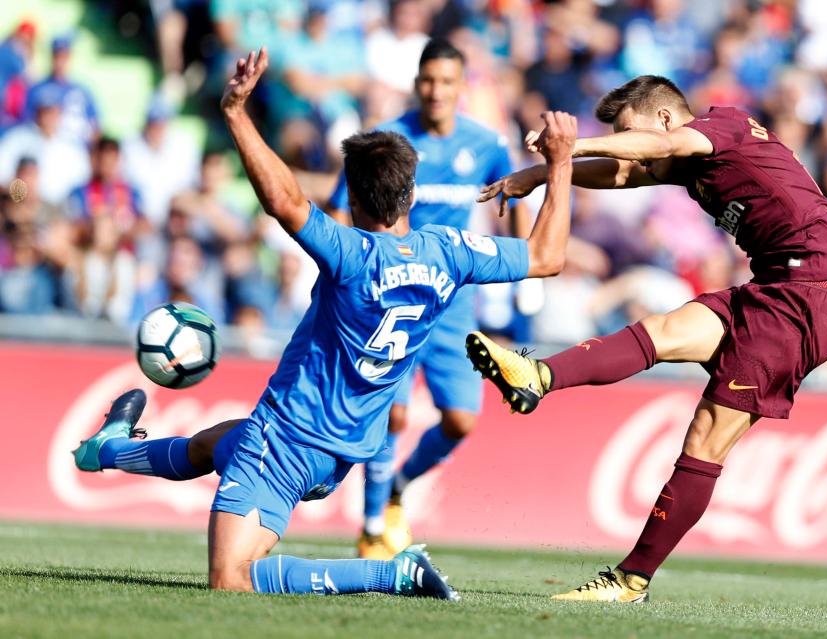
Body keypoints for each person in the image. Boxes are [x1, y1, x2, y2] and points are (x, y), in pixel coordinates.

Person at [71, 46, 578, 598]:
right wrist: (561, 161)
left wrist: (237, 112)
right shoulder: (451, 251)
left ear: (355, 199)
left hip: (286, 437)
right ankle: (108, 449)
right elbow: (547, 257)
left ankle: (391, 572)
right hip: (344, 451)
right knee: (210, 447)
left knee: (231, 579)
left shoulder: (351, 255)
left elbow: (284, 200)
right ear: (411, 193)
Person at [470, 75, 827, 603]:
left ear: (663, 118)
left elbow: (652, 150)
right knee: (663, 330)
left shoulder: (720, 124)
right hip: (776, 288)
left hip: (804, 298)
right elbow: (624, 172)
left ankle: (631, 580)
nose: (637, 150)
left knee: (705, 439)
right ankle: (537, 375)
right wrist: (545, 171)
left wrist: (574, 142)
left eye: (630, 131)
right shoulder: (692, 162)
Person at [327, 39, 531, 560]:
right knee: (390, 416)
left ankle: (399, 486)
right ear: (416, 82)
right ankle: (372, 527)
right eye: (427, 80)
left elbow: (515, 192)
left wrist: (527, 270)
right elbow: (338, 204)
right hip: (391, 290)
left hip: (452, 301)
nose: (435, 90)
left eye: (445, 81)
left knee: (461, 419)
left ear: (462, 88)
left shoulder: (485, 144)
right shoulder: (390, 141)